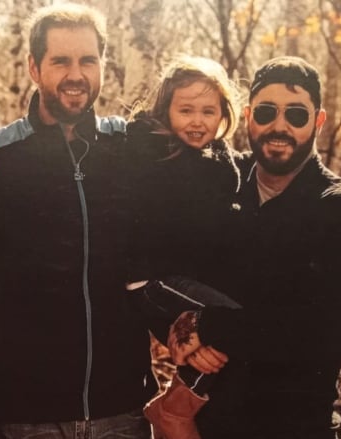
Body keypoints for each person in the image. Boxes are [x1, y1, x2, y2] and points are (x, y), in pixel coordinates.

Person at [167, 56, 341, 439]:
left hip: (293, 427)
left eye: (296, 116)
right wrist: (179, 328)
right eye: (267, 112)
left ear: (318, 121)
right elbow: (168, 265)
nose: (279, 126)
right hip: (204, 426)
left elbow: (313, 331)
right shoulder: (221, 185)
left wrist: (208, 326)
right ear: (248, 116)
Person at [0, 3, 153, 437]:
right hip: (26, 415)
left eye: (87, 60)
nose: (76, 75)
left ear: (102, 65)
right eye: (61, 61)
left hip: (124, 408)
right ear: (34, 68)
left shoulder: (132, 149)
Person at [121, 55, 245, 439]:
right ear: (166, 111)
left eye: (209, 111)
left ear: (224, 113)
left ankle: (178, 402)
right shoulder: (155, 153)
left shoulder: (216, 161)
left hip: (179, 277)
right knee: (231, 320)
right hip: (150, 280)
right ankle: (175, 407)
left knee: (228, 332)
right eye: (186, 110)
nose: (197, 120)